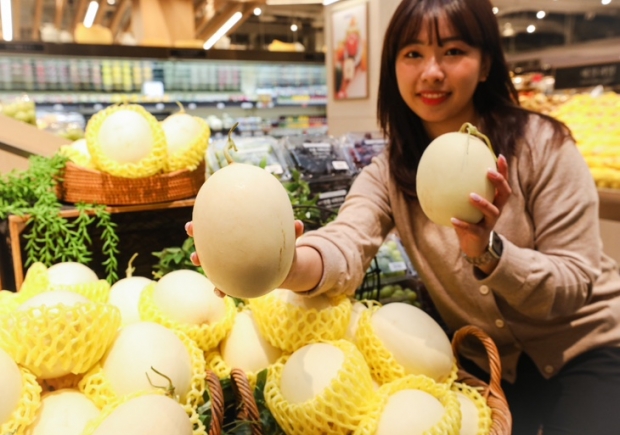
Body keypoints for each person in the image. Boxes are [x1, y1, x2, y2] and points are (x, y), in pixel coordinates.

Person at [187, 0, 620, 433]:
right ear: (393, 67)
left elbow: (575, 283)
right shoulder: (391, 172)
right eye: (412, 54)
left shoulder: (543, 146)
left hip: (584, 348)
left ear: (485, 63)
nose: (431, 72)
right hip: (485, 367)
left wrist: (490, 255)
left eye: (452, 51)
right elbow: (346, 243)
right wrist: (282, 262)